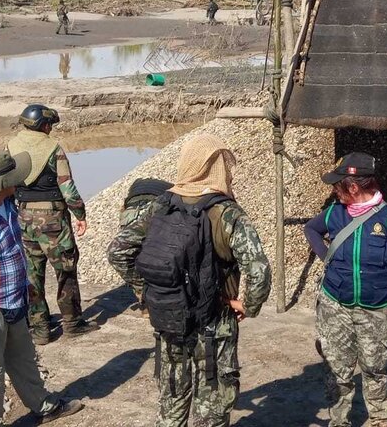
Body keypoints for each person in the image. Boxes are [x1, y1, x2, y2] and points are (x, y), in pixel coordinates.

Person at [109, 134, 271, 427]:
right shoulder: (228, 213)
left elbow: (118, 252)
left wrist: (145, 293)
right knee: (211, 406)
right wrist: (248, 305)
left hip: (168, 318)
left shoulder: (160, 204)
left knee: (172, 401)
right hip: (214, 323)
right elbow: (259, 270)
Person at [0, 150, 84, 427]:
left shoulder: (7, 205)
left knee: (24, 361)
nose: (19, 182)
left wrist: (27, 287)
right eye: (14, 178)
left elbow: (12, 253)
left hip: (13, 300)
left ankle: (44, 406)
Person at [304, 152, 387, 427]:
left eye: (338, 185)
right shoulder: (334, 213)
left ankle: (380, 419)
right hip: (335, 307)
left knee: (375, 370)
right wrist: (326, 255)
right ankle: (339, 421)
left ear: (353, 187)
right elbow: (311, 230)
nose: (334, 190)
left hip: (376, 311)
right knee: (337, 371)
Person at [7, 104, 98, 345]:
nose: (51, 129)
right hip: (54, 221)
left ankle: (40, 329)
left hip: (23, 219)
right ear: (43, 125)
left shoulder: (11, 146)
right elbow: (68, 190)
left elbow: (5, 184)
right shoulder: (53, 149)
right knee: (65, 270)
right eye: (49, 125)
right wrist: (80, 214)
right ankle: (72, 323)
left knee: (32, 274)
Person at [107, 177, 173, 313]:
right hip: (152, 207)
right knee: (154, 252)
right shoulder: (169, 190)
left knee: (130, 250)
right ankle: (150, 296)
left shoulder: (137, 188)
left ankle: (145, 296)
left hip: (133, 210)